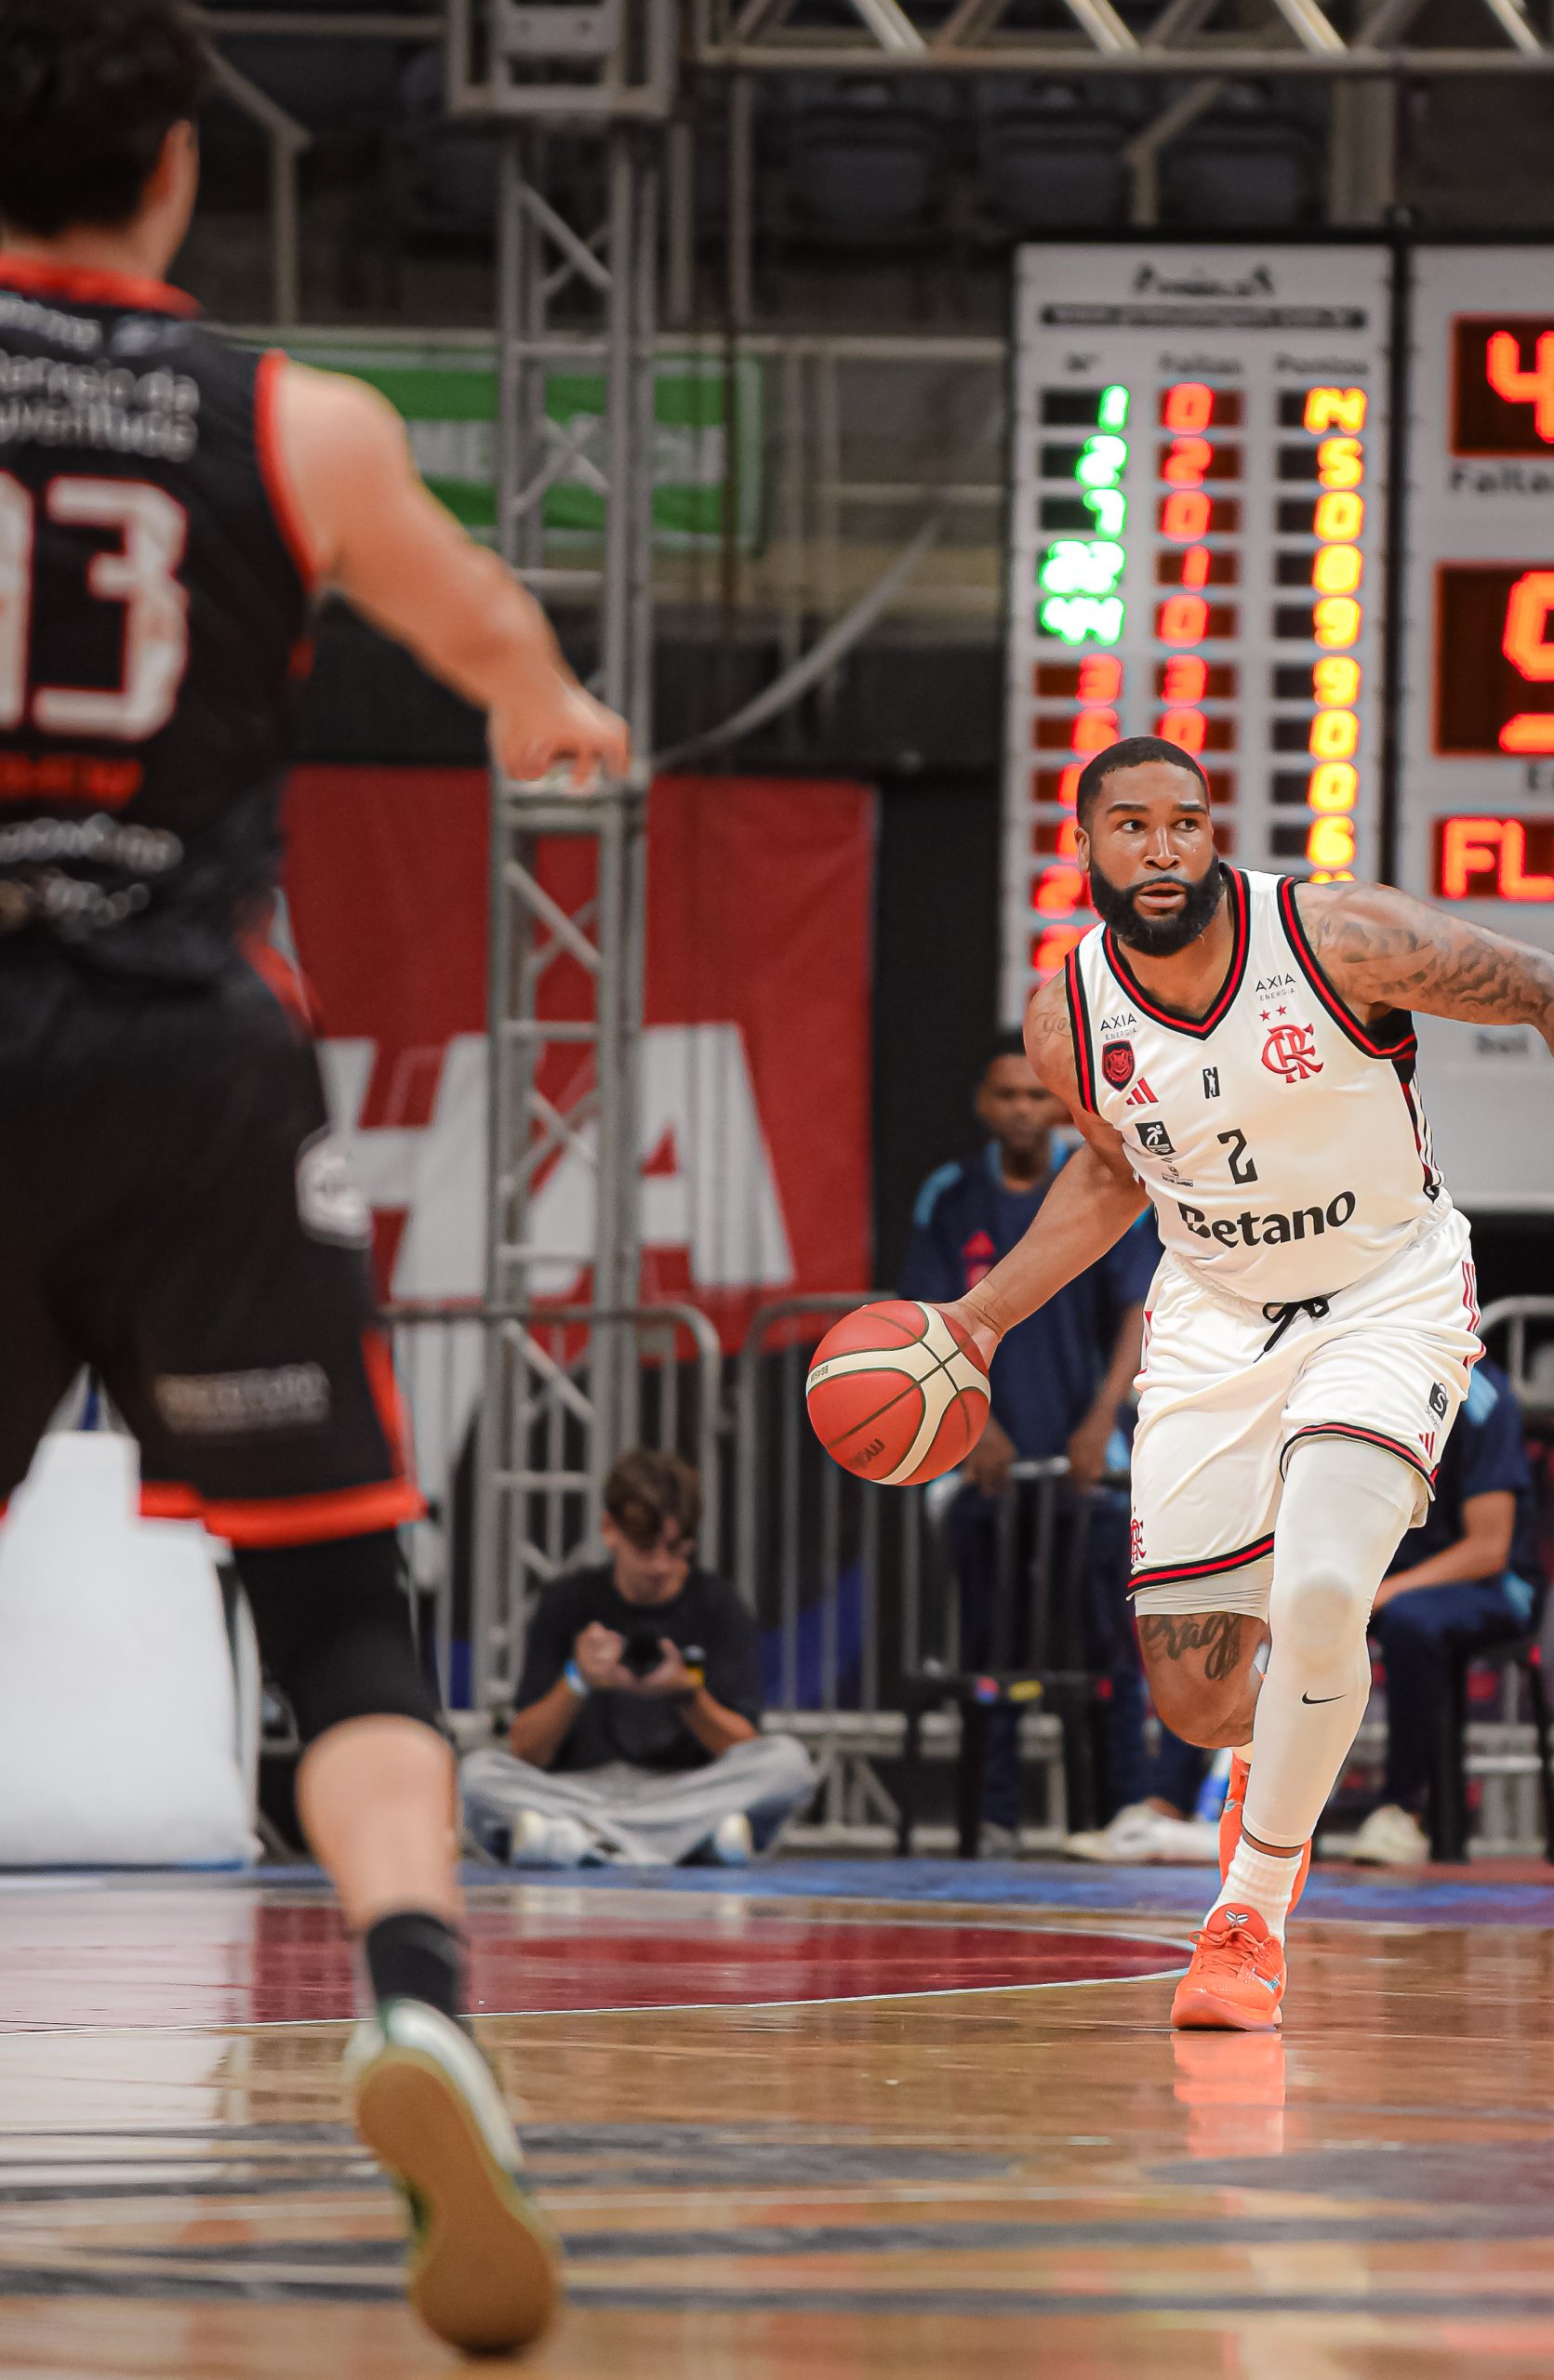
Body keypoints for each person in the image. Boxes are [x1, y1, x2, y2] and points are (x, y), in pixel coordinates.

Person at [0, 3, 628, 2350]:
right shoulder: (300, 419)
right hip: (191, 1053)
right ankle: (418, 1997)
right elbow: (491, 640)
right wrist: (548, 708)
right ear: (176, 169)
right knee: (338, 1595)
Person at [932, 734, 1554, 2032]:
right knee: (1197, 1699)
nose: (1162, 848)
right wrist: (980, 1319)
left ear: (1212, 832)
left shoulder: (1335, 938)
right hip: (1211, 1320)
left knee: (1318, 1590)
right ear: (1084, 848)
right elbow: (1113, 1171)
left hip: (1383, 1297)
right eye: (1130, 825)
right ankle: (1275, 1763)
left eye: (1185, 821)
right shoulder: (1069, 1015)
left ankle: (1246, 1916)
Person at [901, 1030, 1161, 1850]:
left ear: (1061, 1106)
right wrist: (975, 1428)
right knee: (993, 1645)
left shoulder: (1097, 1178)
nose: (1022, 1109)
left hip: (1088, 1465)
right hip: (986, 1467)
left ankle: (1119, 1810)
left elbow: (1136, 1309)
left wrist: (1102, 1419)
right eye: (1007, 1095)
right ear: (983, 1105)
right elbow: (927, 1320)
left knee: (1107, 1642)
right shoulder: (951, 1195)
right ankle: (995, 1816)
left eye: (1037, 1095)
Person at [461, 1449, 817, 1868]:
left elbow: (743, 1745)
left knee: (789, 1764)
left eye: (676, 1549)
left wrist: (688, 1696)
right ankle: (690, 1842)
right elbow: (527, 1749)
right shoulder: (567, 1600)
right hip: (581, 1788)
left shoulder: (719, 1605)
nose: (660, 1565)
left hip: (684, 1788)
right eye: (646, 1548)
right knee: (477, 1774)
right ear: (609, 1530)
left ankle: (585, 1843)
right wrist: (577, 1680)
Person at [1346, 1353, 1541, 1867]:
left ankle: (1402, 1812)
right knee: (1282, 1601)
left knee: (1412, 1620)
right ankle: (1238, 1809)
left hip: (1496, 1585)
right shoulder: (1358, 1377)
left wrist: (1386, 1592)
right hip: (1392, 1580)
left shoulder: (1479, 1394)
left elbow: (1489, 1549)